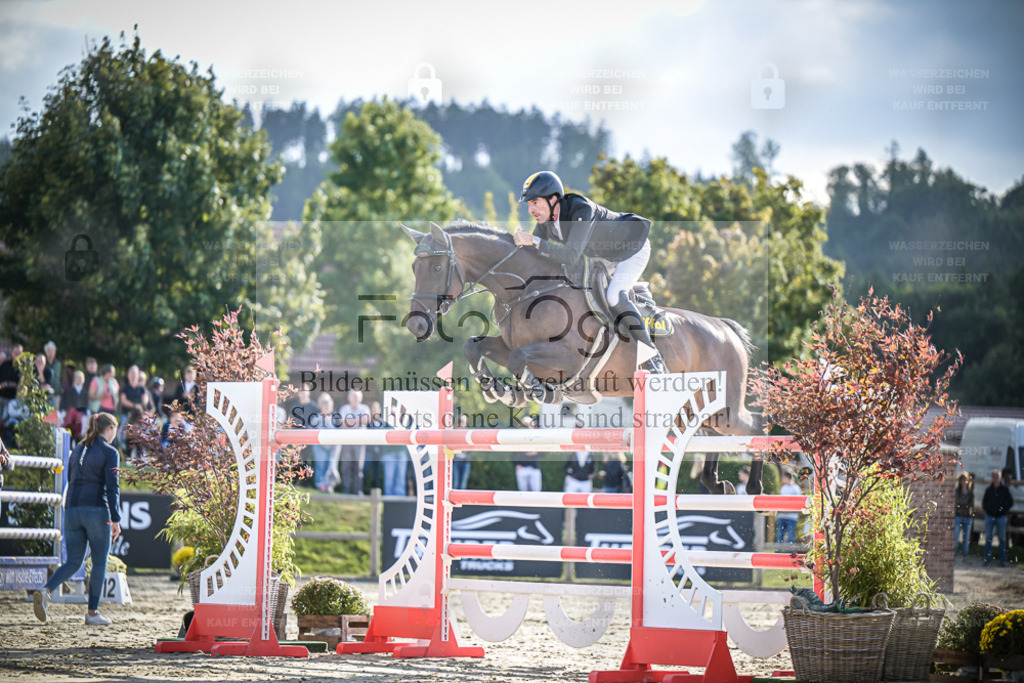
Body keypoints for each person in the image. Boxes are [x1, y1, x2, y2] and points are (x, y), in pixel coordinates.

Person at [514, 170, 667, 373]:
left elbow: (570, 255)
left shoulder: (580, 209)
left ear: (553, 199)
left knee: (613, 296)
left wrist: (533, 241)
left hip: (631, 250)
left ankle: (653, 357)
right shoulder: (547, 221)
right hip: (604, 256)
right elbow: (536, 255)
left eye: (535, 203)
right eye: (529, 205)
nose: (531, 209)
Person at [33, 412, 122, 626]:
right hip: (96, 510)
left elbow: (70, 479)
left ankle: (46, 590)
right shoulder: (110, 452)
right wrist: (116, 518)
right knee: (100, 562)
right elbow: (112, 488)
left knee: (73, 561)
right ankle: (92, 613)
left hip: (71, 509)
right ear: (109, 429)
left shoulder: (78, 450)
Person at [336, 389, 370, 495]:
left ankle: (358, 490)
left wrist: (350, 421)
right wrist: (358, 421)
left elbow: (366, 421)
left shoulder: (365, 408)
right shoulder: (344, 408)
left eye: (357, 397)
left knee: (358, 468)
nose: (355, 399)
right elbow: (342, 423)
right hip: (346, 442)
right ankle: (346, 489)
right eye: (353, 397)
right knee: (346, 467)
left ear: (361, 398)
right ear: (349, 398)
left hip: (360, 442)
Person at [309, 392, 340, 492]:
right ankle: (320, 484)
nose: (326, 405)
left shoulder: (335, 418)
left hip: (333, 447)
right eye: (324, 402)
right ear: (319, 405)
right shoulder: (316, 419)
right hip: (320, 447)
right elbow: (311, 433)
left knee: (331, 466)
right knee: (320, 465)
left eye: (328, 402)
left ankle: (329, 485)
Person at [982, 469, 1013, 567]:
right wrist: (987, 509)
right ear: (992, 478)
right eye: (994, 477)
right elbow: (984, 502)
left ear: (1000, 478)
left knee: (1002, 539)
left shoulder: (1005, 490)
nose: (995, 479)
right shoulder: (988, 489)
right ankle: (987, 558)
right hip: (990, 516)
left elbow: (1010, 501)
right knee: (988, 538)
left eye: (997, 477)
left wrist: (1003, 509)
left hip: (1001, 517)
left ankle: (1002, 559)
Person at [776, 470, 802, 547]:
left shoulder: (796, 488)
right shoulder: (783, 488)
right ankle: (778, 553)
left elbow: (797, 503)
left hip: (792, 516)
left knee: (791, 536)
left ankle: (791, 553)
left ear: (787, 478)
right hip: (782, 516)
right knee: (780, 536)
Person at [953, 473, 974, 559]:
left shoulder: (970, 493)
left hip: (967, 516)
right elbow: (956, 503)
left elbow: (971, 505)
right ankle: (954, 553)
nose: (964, 481)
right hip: (958, 516)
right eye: (962, 480)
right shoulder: (957, 491)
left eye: (965, 480)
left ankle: (965, 554)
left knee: (966, 538)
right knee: (956, 536)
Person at [451, 414, 471, 489]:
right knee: (455, 483)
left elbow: (468, 449)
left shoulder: (468, 434)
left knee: (463, 484)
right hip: (456, 461)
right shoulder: (454, 434)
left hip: (465, 461)